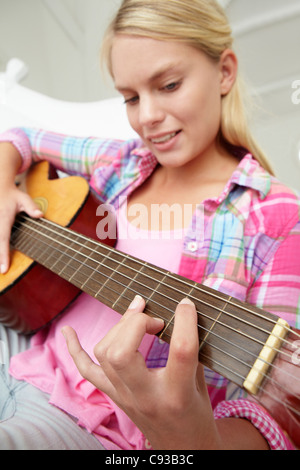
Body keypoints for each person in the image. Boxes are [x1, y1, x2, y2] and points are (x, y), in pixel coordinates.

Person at [0, 0, 299, 450]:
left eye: (169, 85)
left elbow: (279, 420)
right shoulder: (120, 160)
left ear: (225, 72)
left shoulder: (280, 217)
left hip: (91, 426)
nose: (147, 117)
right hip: (23, 352)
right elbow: (19, 138)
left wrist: (193, 437)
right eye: (131, 97)